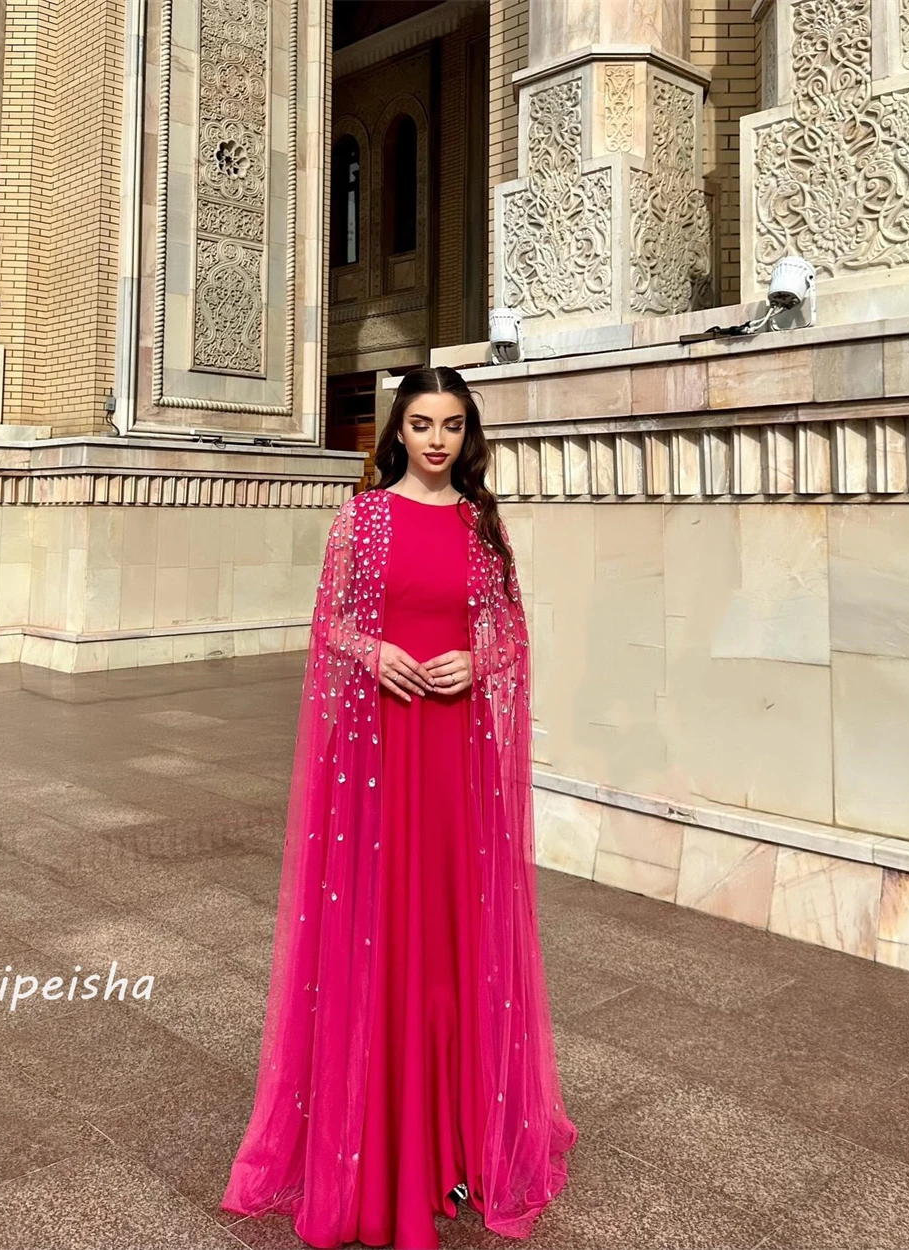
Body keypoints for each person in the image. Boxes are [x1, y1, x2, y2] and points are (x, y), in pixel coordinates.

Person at [221, 366, 578, 1249]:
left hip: (455, 759)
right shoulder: (363, 518)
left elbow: (510, 633)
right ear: (397, 431)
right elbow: (328, 625)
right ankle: (380, 1152)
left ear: (468, 435)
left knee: (452, 942)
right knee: (383, 937)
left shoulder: (483, 526)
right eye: (421, 423)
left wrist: (482, 665)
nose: (435, 440)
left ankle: (457, 1141)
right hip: (381, 755)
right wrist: (374, 650)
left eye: (451, 425)